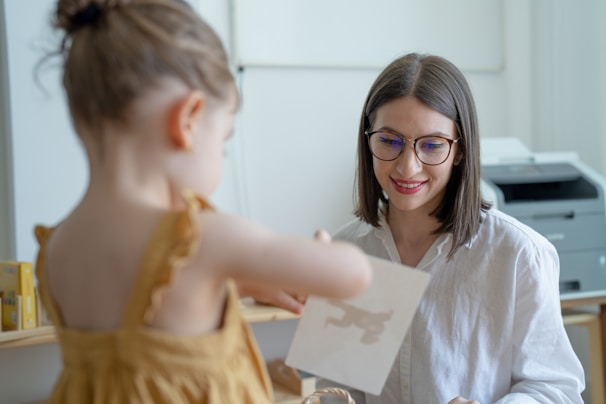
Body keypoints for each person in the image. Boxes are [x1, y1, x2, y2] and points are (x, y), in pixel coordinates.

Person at [33, 1, 373, 403]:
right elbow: (352, 276)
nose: (221, 157)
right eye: (224, 142)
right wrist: (318, 254)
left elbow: (149, 317)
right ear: (189, 120)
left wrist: (237, 282)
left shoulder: (57, 249)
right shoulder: (201, 237)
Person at [317, 53, 585, 403]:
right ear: (367, 140)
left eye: (431, 145)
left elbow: (557, 390)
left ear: (460, 151)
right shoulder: (347, 251)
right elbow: (337, 390)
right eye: (389, 140)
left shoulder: (518, 253)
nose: (408, 166)